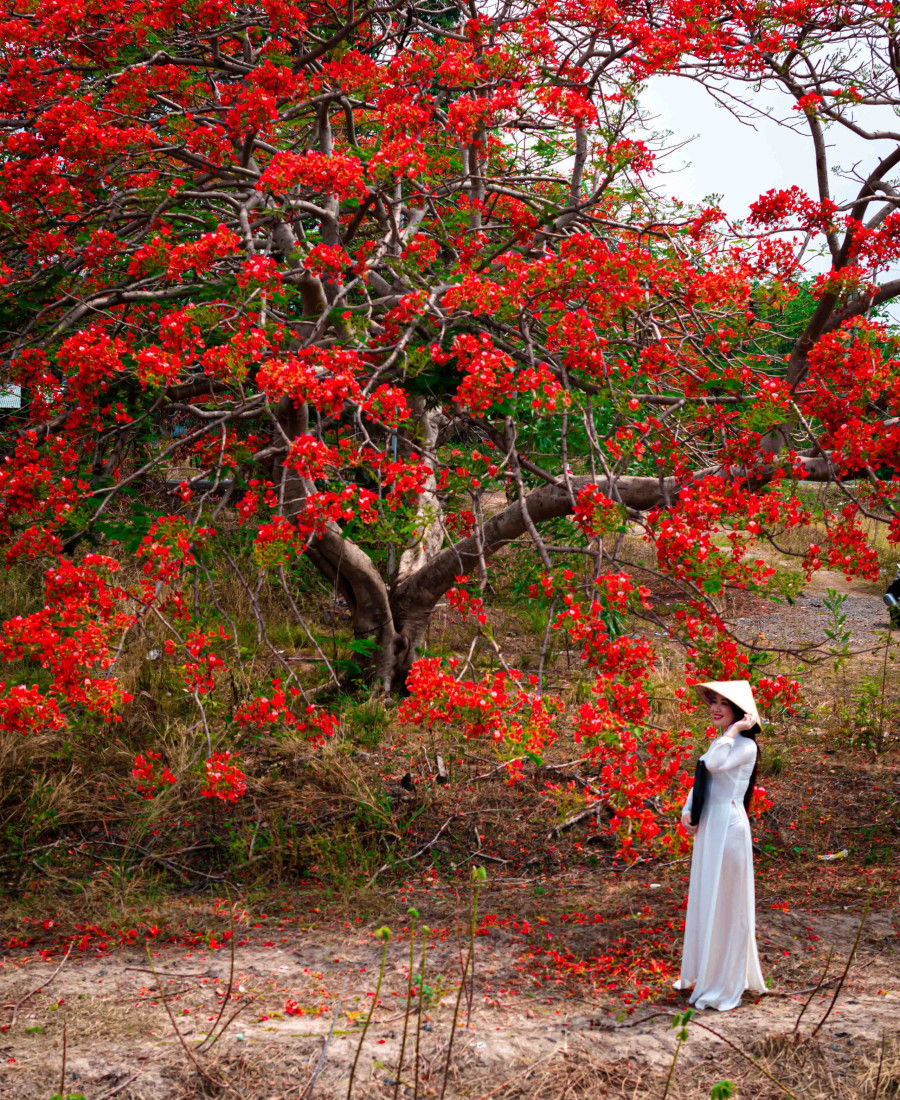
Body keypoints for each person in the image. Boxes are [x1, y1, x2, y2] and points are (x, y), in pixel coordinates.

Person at [675, 680, 767, 1011]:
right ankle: (704, 972)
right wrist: (687, 811)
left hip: (729, 830)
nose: (715, 708)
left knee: (726, 903)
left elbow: (713, 764)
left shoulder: (744, 746)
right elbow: (703, 778)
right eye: (713, 701)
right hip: (710, 828)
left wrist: (736, 730)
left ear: (740, 712)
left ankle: (724, 982)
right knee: (706, 897)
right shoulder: (722, 742)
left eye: (723, 703)